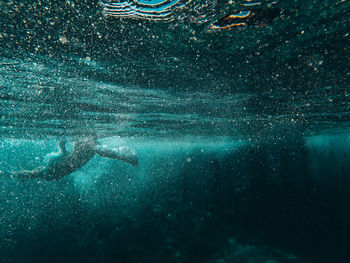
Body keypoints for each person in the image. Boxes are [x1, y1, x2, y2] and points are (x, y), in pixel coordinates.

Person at [0, 139, 139, 182]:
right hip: (60, 166)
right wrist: (127, 158)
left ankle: (8, 174)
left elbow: (104, 152)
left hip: (60, 165)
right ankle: (8, 174)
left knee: (35, 173)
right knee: (35, 173)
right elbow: (103, 152)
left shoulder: (89, 143)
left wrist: (126, 158)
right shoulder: (90, 143)